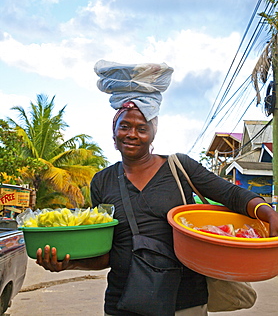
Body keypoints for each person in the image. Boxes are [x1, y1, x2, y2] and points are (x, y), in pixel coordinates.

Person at [37, 63, 278, 316]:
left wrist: (268, 213)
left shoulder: (179, 167)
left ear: (153, 134)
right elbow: (109, 252)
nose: (132, 134)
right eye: (125, 126)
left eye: (142, 128)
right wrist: (68, 263)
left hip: (186, 302)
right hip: (124, 302)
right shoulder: (102, 181)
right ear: (113, 132)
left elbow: (230, 195)